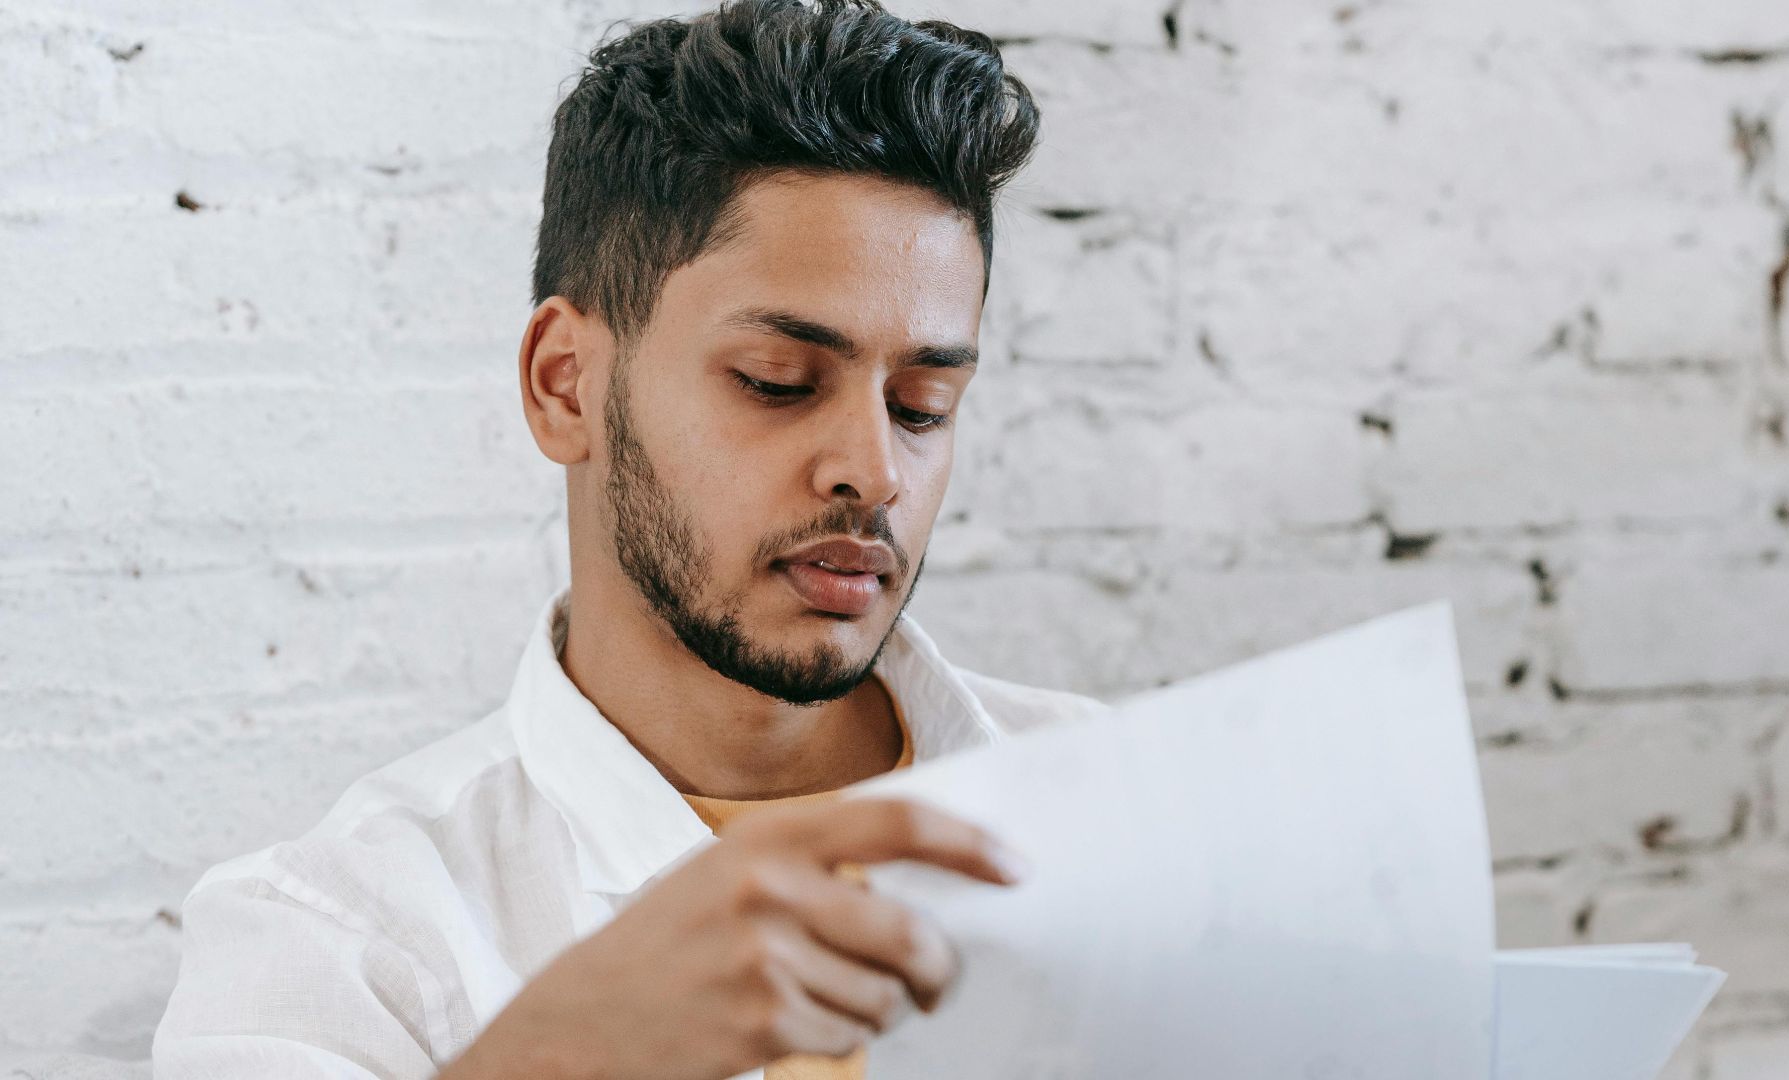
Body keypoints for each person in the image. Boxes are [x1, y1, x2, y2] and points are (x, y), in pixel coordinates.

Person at [150, 2, 1110, 1078]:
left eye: (925, 404)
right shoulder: (337, 939)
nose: (876, 470)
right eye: (777, 383)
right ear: (567, 385)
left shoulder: (1139, 807)